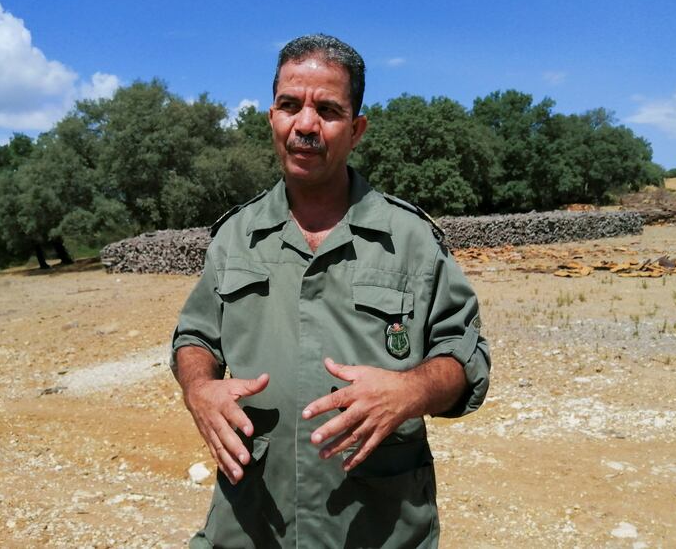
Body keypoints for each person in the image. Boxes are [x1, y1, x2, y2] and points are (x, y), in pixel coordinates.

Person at [171, 33, 490, 548]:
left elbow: (465, 355)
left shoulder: (410, 239)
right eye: (289, 105)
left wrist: (411, 391)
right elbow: (195, 337)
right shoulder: (235, 236)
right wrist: (199, 390)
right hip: (253, 525)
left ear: (357, 129)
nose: (305, 125)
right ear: (271, 117)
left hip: (377, 528)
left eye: (328, 109)